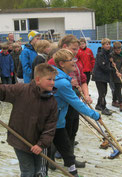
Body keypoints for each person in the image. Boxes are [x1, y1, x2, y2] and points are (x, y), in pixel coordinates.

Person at [0, 63, 58, 177]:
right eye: (49, 79)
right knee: (28, 171)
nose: (52, 82)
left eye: (53, 79)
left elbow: (50, 126)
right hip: (20, 140)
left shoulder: (52, 102)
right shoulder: (21, 90)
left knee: (37, 171)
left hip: (38, 143)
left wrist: (41, 144)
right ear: (38, 79)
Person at [51, 49, 101, 177]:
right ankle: (48, 165)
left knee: (66, 148)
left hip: (59, 120)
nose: (74, 62)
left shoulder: (63, 78)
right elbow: (76, 103)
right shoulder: (61, 82)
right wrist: (95, 115)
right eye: (71, 60)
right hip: (52, 121)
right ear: (62, 63)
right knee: (54, 145)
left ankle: (72, 171)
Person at [48, 35, 92, 168]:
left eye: (77, 49)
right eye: (74, 49)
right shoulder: (52, 63)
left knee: (73, 130)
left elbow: (83, 80)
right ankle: (51, 159)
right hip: (60, 104)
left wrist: (86, 94)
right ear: (65, 47)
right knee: (61, 132)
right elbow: (49, 84)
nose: (77, 52)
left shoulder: (76, 62)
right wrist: (67, 83)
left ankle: (70, 158)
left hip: (74, 102)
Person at [92, 38, 112, 116]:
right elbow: (103, 66)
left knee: (103, 92)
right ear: (103, 45)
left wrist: (111, 61)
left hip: (104, 76)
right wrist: (112, 70)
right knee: (102, 92)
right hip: (99, 76)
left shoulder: (108, 53)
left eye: (109, 44)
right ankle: (103, 108)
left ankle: (98, 105)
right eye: (106, 44)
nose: (108, 46)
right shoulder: (100, 54)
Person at [110, 41, 122, 112]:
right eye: (116, 50)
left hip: (121, 74)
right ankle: (116, 101)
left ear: (121, 49)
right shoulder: (112, 54)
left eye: (119, 50)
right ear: (114, 49)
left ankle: (120, 102)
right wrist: (111, 63)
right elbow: (110, 64)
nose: (118, 51)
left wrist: (121, 72)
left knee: (118, 88)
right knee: (114, 88)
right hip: (113, 74)